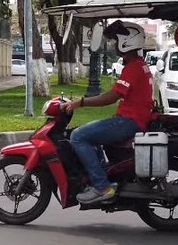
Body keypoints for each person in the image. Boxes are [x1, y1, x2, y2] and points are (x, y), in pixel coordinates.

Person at [62, 20, 154, 204]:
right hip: (132, 119)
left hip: (129, 121)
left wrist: (81, 102)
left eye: (115, 40)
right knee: (89, 134)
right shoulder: (137, 64)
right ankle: (102, 175)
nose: (112, 44)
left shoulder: (134, 67)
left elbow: (111, 97)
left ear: (127, 41)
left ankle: (102, 187)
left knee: (78, 136)